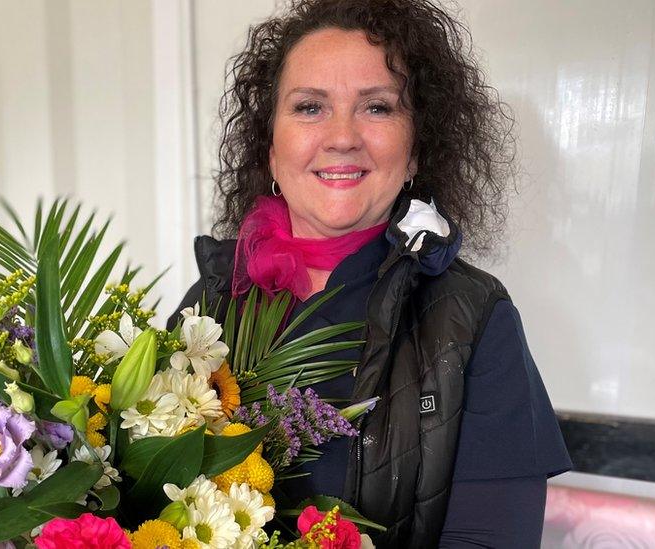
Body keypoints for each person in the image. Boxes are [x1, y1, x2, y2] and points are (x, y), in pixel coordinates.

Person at [168, 1, 571, 546]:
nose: (342, 137)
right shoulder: (211, 298)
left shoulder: (474, 319)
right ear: (270, 147)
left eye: (377, 108)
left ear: (415, 152)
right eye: (310, 107)